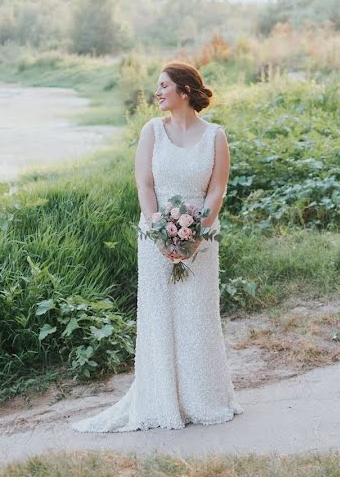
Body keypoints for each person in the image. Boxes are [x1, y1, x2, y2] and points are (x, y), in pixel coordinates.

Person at [70, 61, 244, 432]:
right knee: (159, 315)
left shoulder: (216, 136)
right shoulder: (152, 130)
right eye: (158, 86)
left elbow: (217, 190)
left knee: (197, 315)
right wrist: (159, 231)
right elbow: (144, 186)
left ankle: (203, 397)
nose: (158, 92)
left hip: (202, 237)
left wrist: (197, 232)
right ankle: (162, 399)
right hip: (155, 236)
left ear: (185, 90)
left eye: (165, 85)